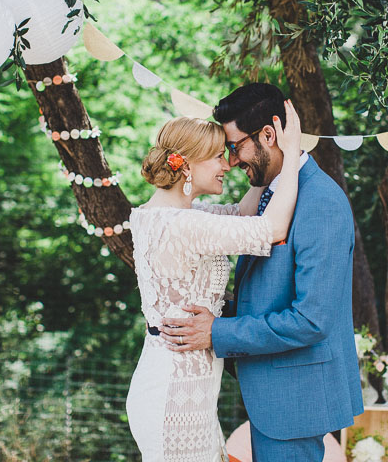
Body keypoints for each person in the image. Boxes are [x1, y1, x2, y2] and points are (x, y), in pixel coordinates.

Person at [158, 83, 363, 461]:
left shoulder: (321, 202)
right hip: (274, 395)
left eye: (235, 147)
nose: (232, 161)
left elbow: (311, 319)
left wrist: (216, 331)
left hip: (295, 402)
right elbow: (266, 293)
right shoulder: (272, 193)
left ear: (269, 134)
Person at [126, 101, 302, 462]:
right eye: (218, 157)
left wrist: (271, 162)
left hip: (186, 385)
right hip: (174, 391)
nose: (228, 164)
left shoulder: (166, 214)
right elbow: (272, 228)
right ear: (186, 164)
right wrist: (294, 153)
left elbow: (241, 213)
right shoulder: (183, 224)